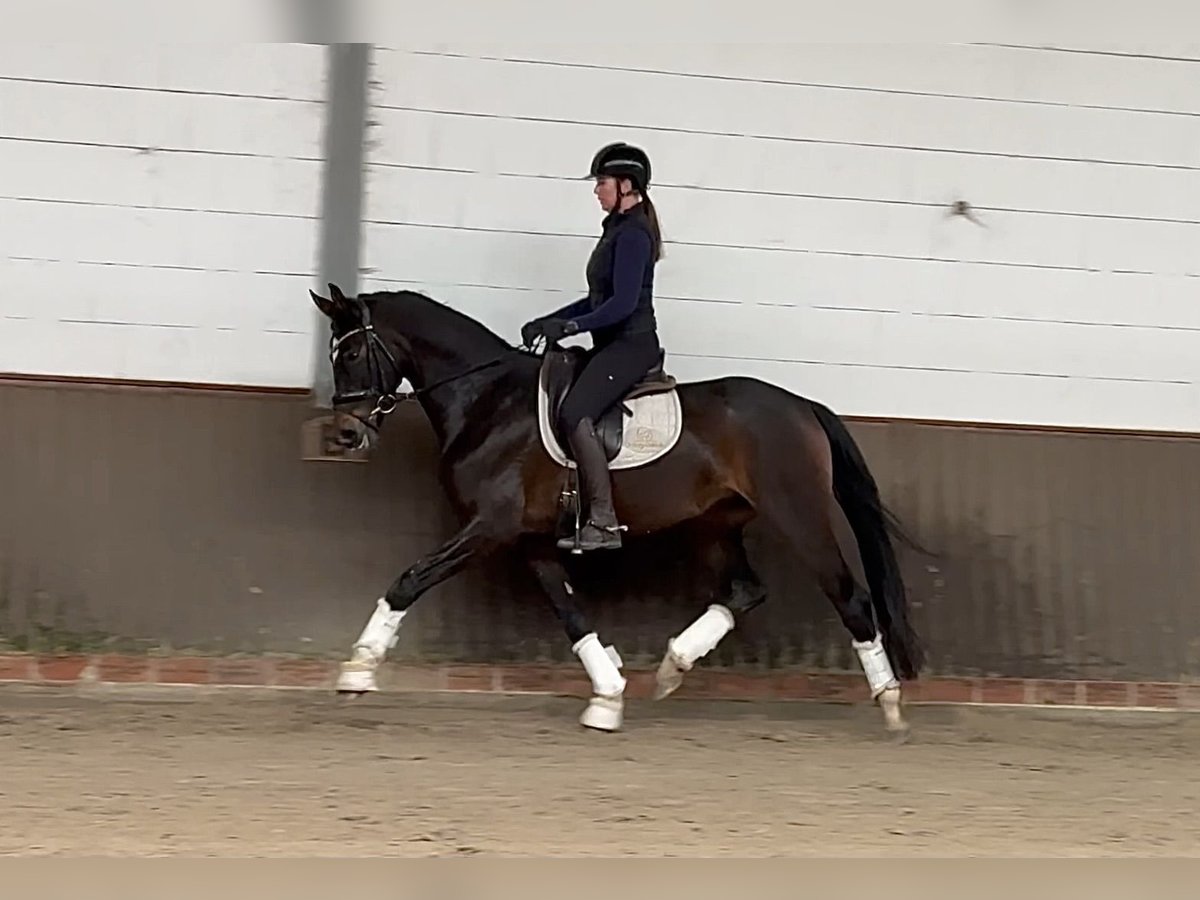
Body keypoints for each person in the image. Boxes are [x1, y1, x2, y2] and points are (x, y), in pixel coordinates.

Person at [521, 141, 665, 552]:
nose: (596, 190)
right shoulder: (617, 229)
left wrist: (571, 325)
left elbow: (621, 305)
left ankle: (602, 521)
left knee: (575, 410)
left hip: (631, 346)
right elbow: (598, 299)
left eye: (601, 182)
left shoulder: (635, 234)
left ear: (626, 185)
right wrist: (552, 321)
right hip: (611, 342)